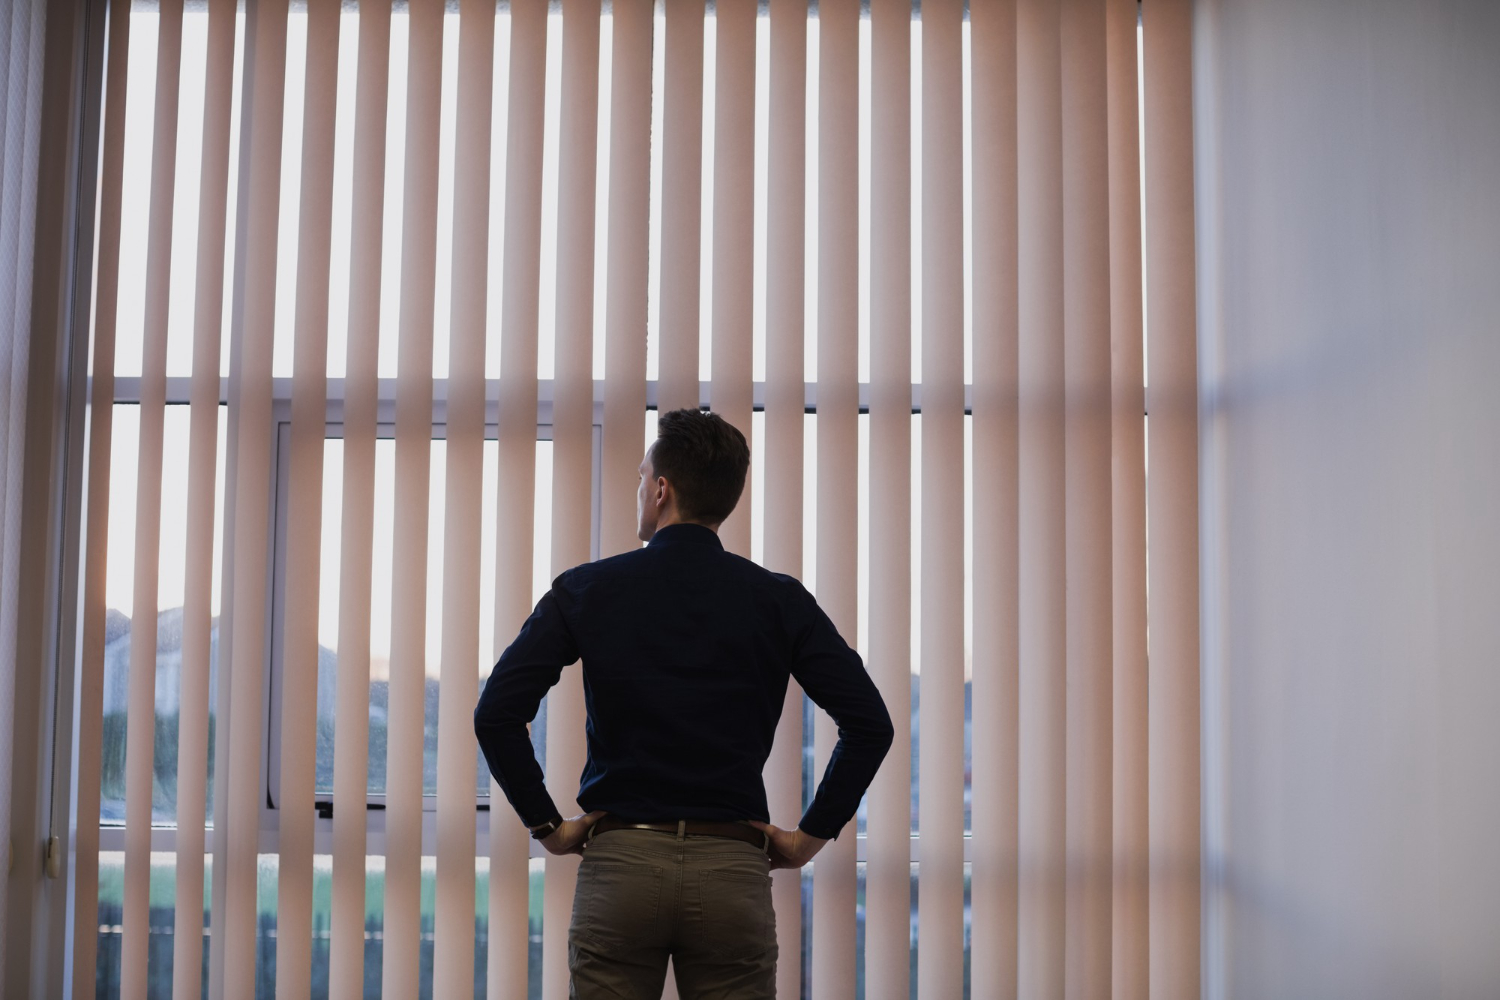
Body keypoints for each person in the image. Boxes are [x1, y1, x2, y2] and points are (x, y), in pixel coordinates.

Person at [475, 408, 895, 999]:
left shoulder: (588, 588)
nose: (640, 487)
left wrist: (550, 828)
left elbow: (496, 713)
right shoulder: (778, 600)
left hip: (621, 864)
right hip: (731, 872)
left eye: (642, 475)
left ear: (662, 490)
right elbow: (869, 724)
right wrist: (808, 838)